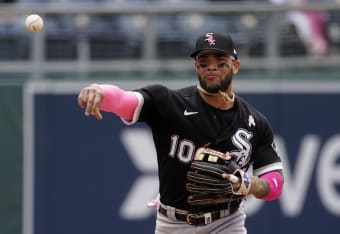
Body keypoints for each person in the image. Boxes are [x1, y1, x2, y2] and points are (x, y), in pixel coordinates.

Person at [77, 32, 284, 234]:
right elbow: (123, 100)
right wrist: (100, 90)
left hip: (226, 222)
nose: (211, 66)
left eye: (220, 60)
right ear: (196, 66)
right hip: (172, 224)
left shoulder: (255, 122)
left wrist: (251, 184)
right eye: (204, 61)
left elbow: (275, 182)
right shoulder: (169, 102)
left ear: (235, 66)